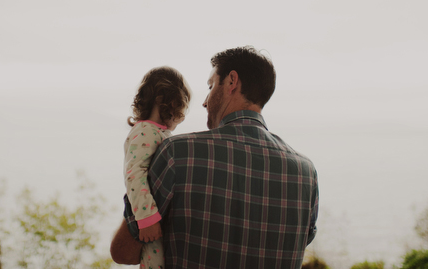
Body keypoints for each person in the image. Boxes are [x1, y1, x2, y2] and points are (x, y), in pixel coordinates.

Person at [111, 46, 319, 268]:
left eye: (210, 87)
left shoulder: (177, 154)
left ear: (232, 81)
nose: (204, 101)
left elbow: (124, 252)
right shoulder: (306, 172)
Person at [123, 66, 191, 269]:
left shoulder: (152, 132)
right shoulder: (146, 132)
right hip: (150, 220)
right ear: (170, 102)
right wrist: (146, 218)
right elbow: (134, 174)